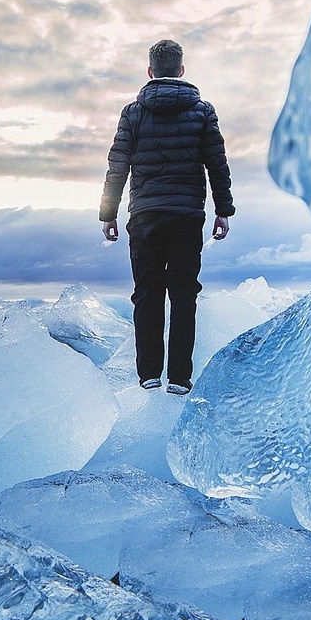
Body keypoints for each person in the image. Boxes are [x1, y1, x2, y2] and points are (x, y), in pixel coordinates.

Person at [98, 39, 234, 394]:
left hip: (144, 216)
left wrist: (108, 214)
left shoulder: (133, 112)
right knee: (184, 294)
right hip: (188, 215)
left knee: (147, 294)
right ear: (182, 70)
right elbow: (216, 165)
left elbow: (118, 166)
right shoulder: (203, 111)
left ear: (150, 71)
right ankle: (179, 378)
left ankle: (149, 375)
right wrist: (223, 210)